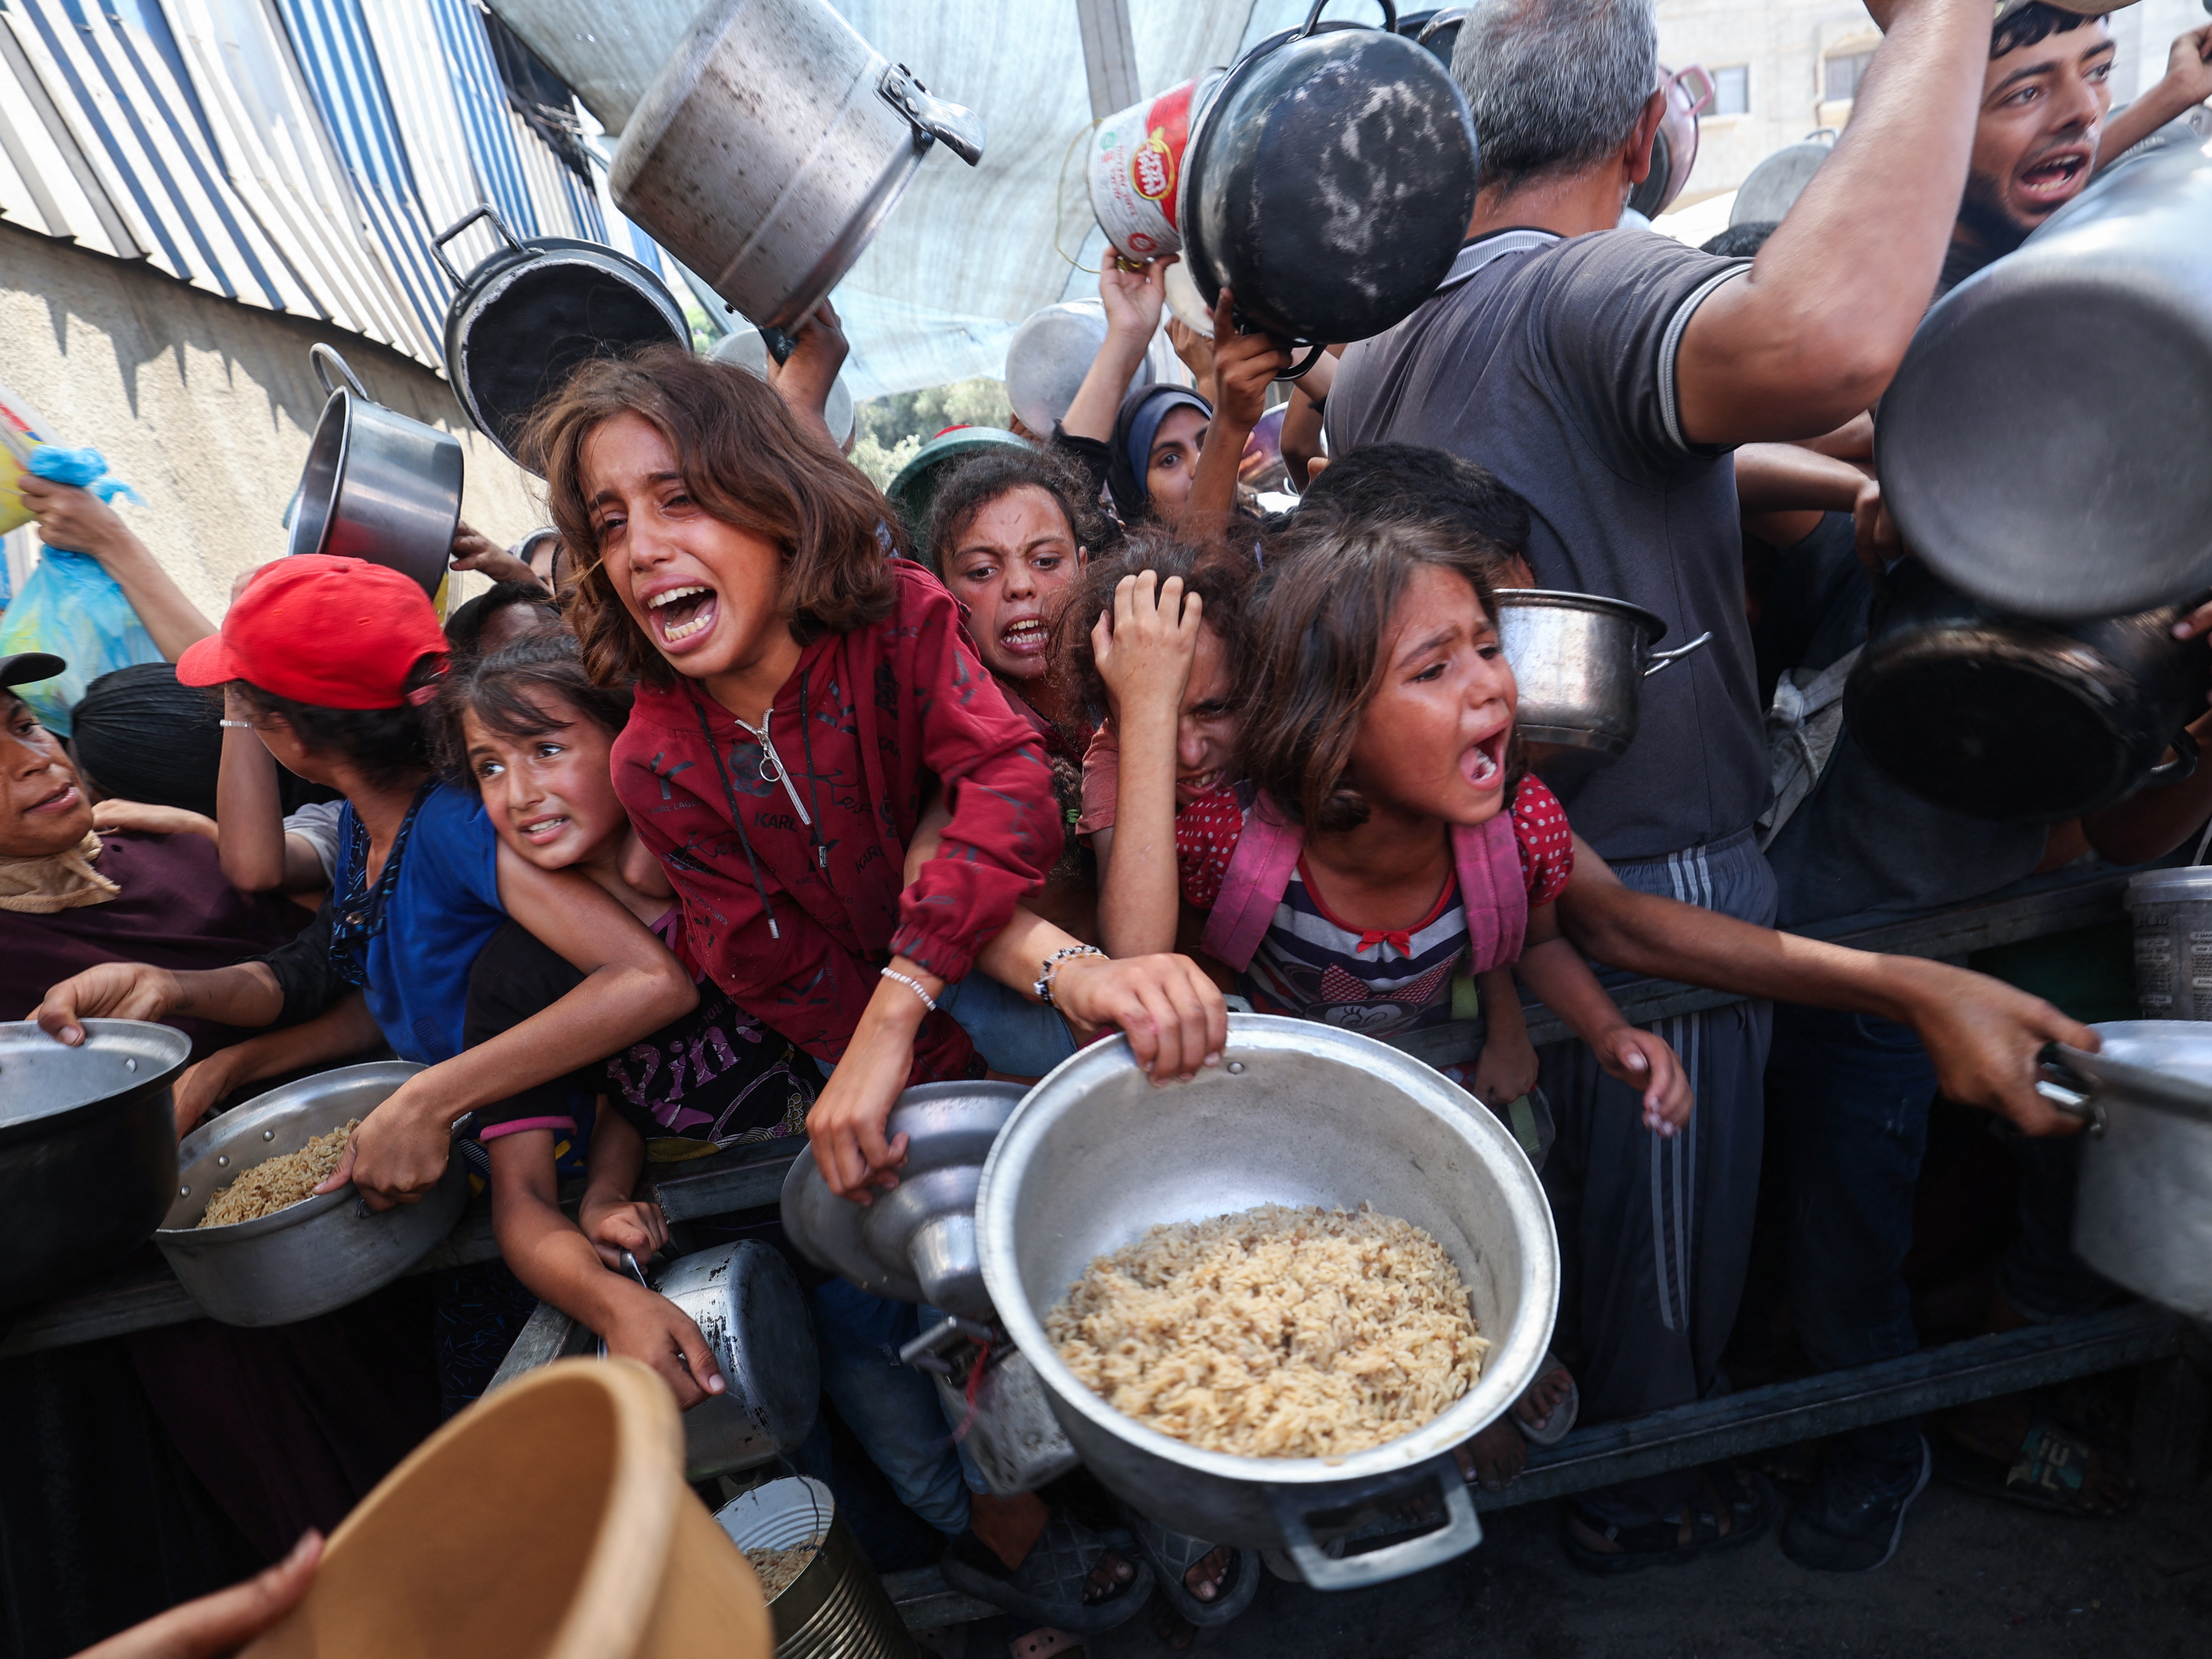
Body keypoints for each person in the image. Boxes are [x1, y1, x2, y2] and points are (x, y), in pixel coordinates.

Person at [1323, 0, 2018, 1567]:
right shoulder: (1597, 277)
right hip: (1654, 859)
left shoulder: (1386, 344)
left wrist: (1832, 471)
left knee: (1568, 1219)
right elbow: (1828, 338)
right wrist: (1948, 21)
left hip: (1501, 862)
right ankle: (1645, 1502)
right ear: (1645, 133)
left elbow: (1633, 455)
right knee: (1662, 1245)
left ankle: (1588, 1462)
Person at [524, 344, 1225, 1639]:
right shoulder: (658, 759)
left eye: (679, 498)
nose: (641, 545)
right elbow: (755, 955)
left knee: (1115, 1219)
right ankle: (989, 1531)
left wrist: (925, 997)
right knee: (876, 1321)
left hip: (980, 990)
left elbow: (1005, 794)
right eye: (610, 521)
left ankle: (1182, 1473)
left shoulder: (897, 621)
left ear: (773, 499)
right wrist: (885, 1044)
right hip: (842, 1048)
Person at [31, 556, 696, 1205]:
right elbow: (372, 995)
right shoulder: (363, 830)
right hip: (480, 1158)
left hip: (568, 1174)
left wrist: (429, 1097)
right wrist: (215, 1047)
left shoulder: (457, 824)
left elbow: (646, 981)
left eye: (248, 709)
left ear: (288, 734)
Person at [443, 634, 819, 1408]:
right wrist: (611, 1292)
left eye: (546, 750)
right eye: (489, 766)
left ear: (628, 738)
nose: (517, 794)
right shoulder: (518, 976)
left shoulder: (731, 861)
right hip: (715, 1260)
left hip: (850, 1190)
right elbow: (524, 1199)